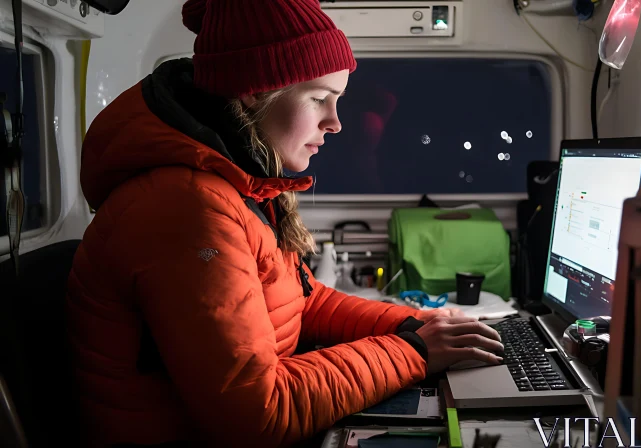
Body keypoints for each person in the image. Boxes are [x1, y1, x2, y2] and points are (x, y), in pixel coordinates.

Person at [66, 1, 505, 447]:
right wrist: (416, 352)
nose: (335, 123)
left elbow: (305, 304)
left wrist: (417, 324)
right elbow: (256, 416)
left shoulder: (239, 188)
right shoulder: (187, 209)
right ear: (255, 91)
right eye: (319, 99)